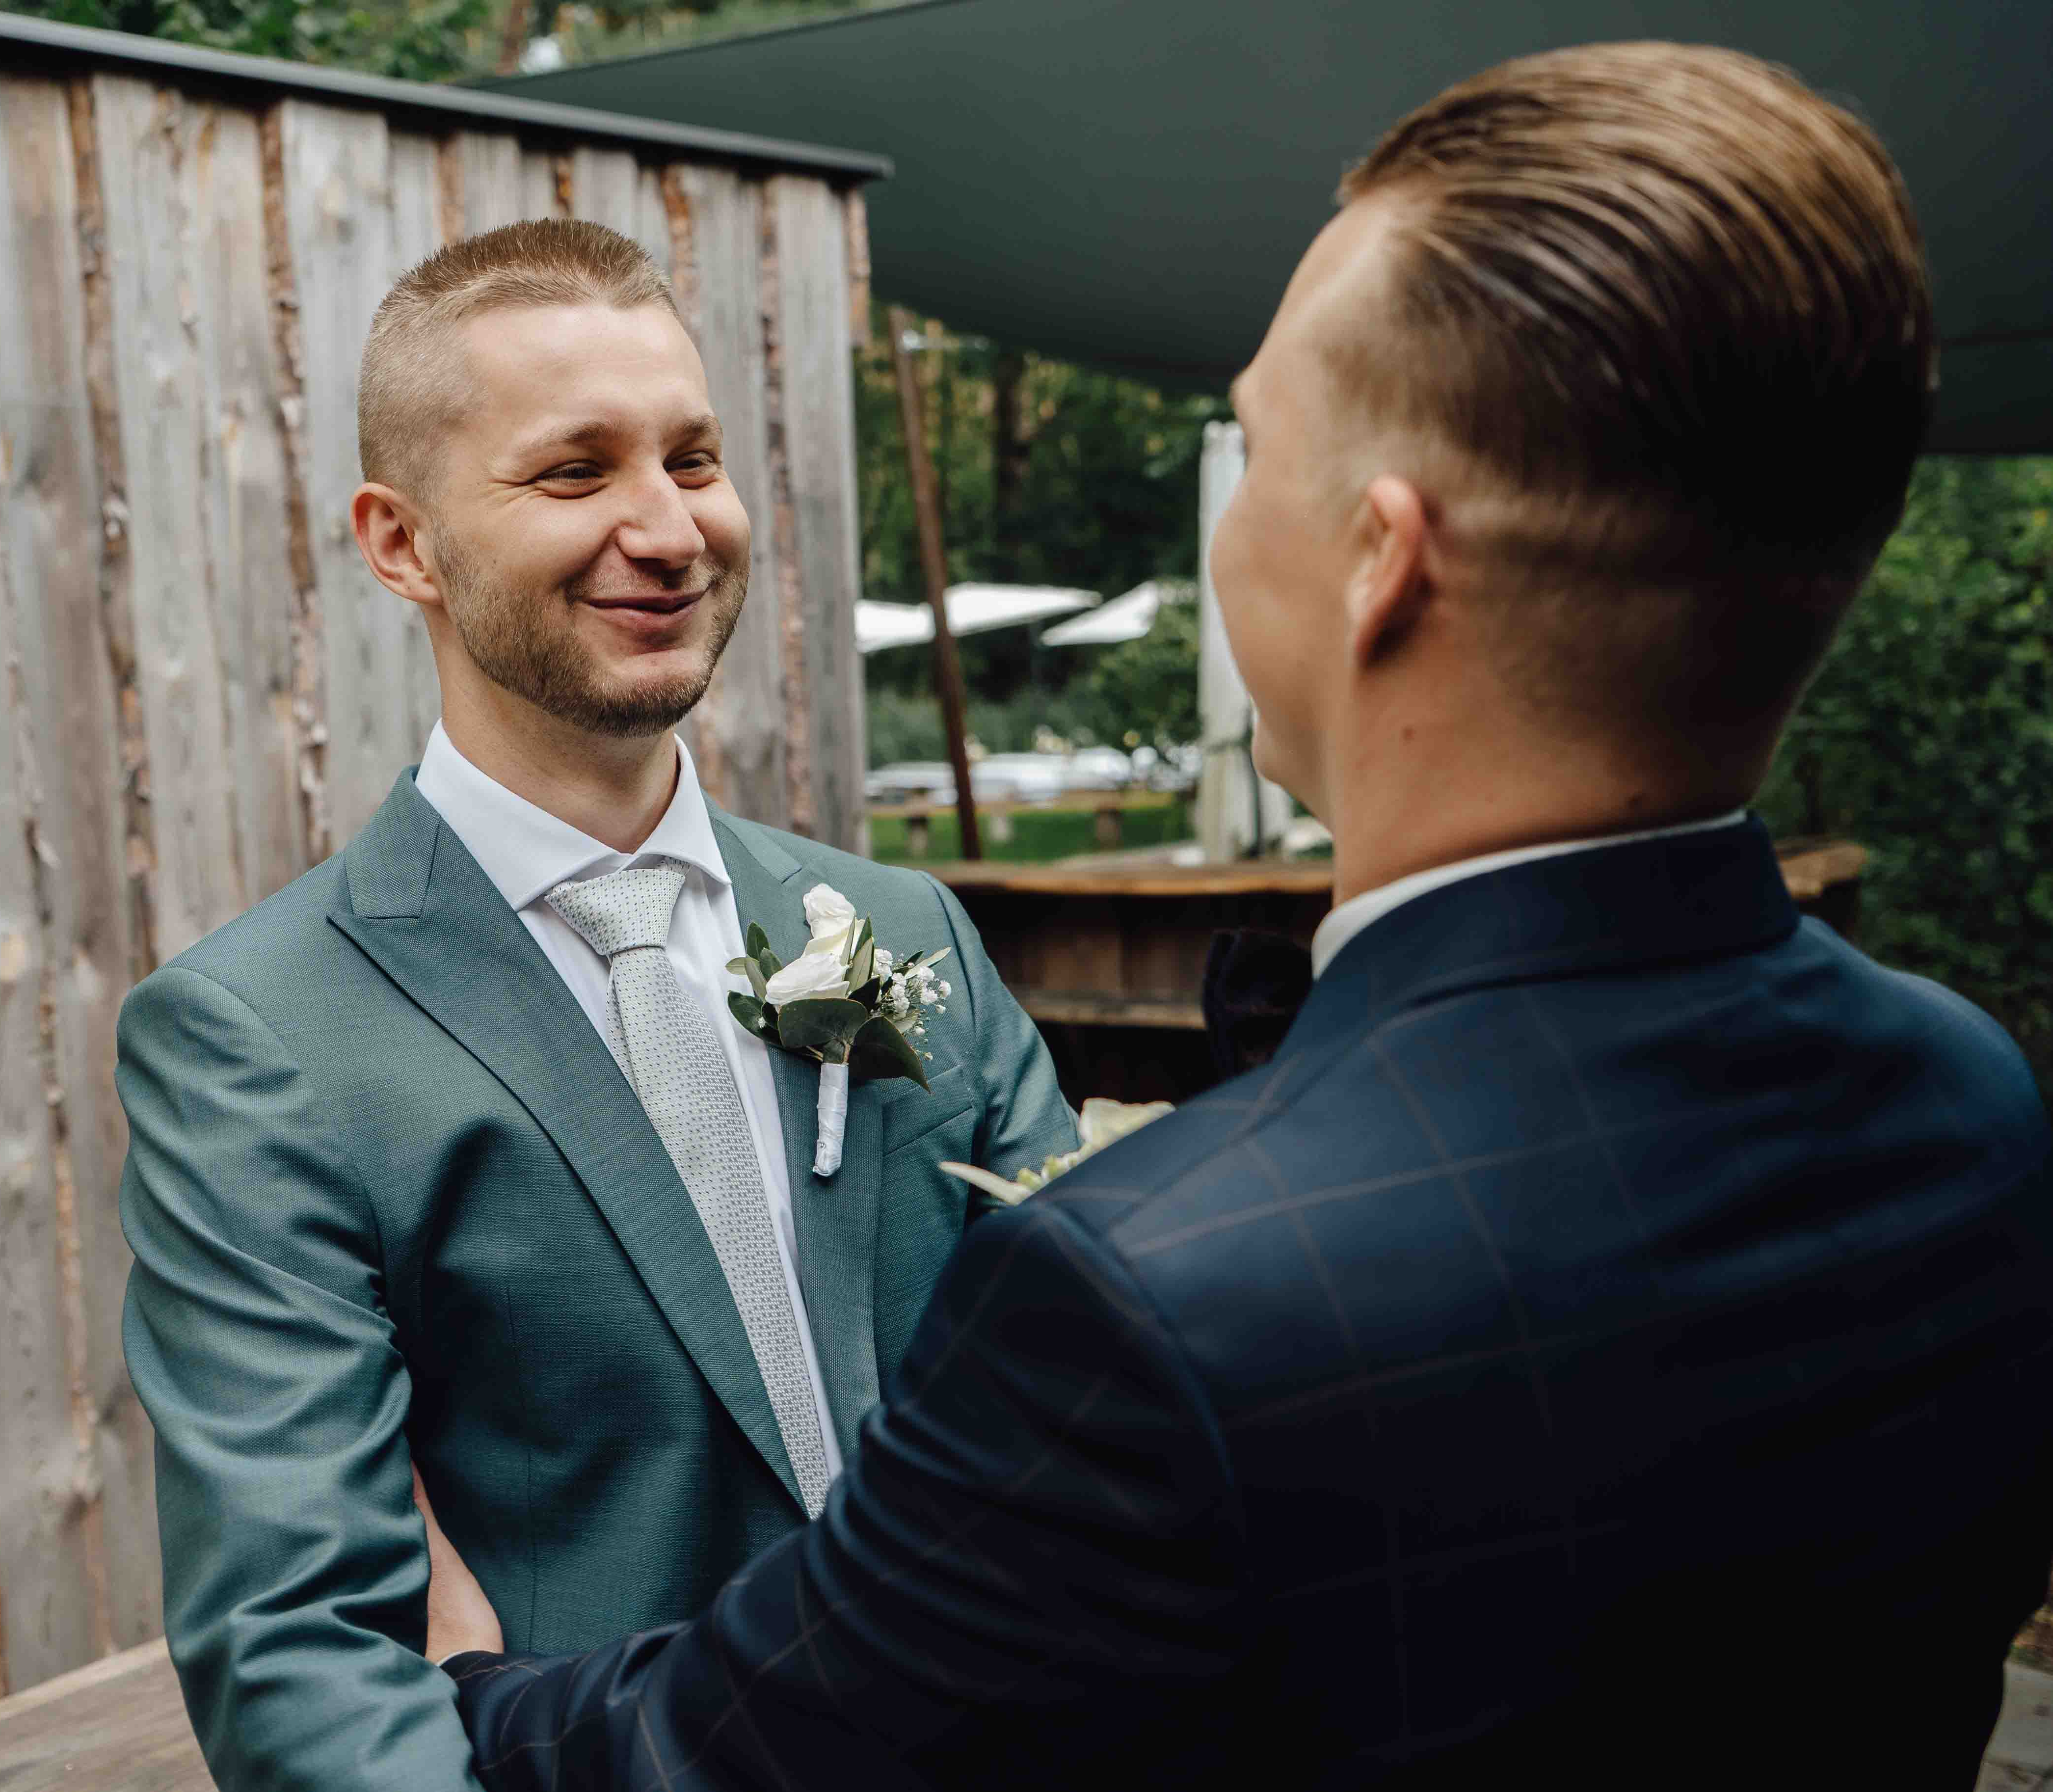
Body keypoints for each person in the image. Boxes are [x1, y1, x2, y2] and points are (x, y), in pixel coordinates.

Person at [428, 43, 2053, 1789]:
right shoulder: (1967, 1099)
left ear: (1379, 560)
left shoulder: (1158, 1300)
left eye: (1259, 444)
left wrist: (465, 1675)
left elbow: (720, 1759)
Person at [113, 219, 1076, 1792]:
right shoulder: (255, 1037)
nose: (671, 528)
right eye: (577, 472)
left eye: (692, 459)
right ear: (403, 544)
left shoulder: (908, 934)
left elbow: (1088, 1388)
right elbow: (304, 1669)